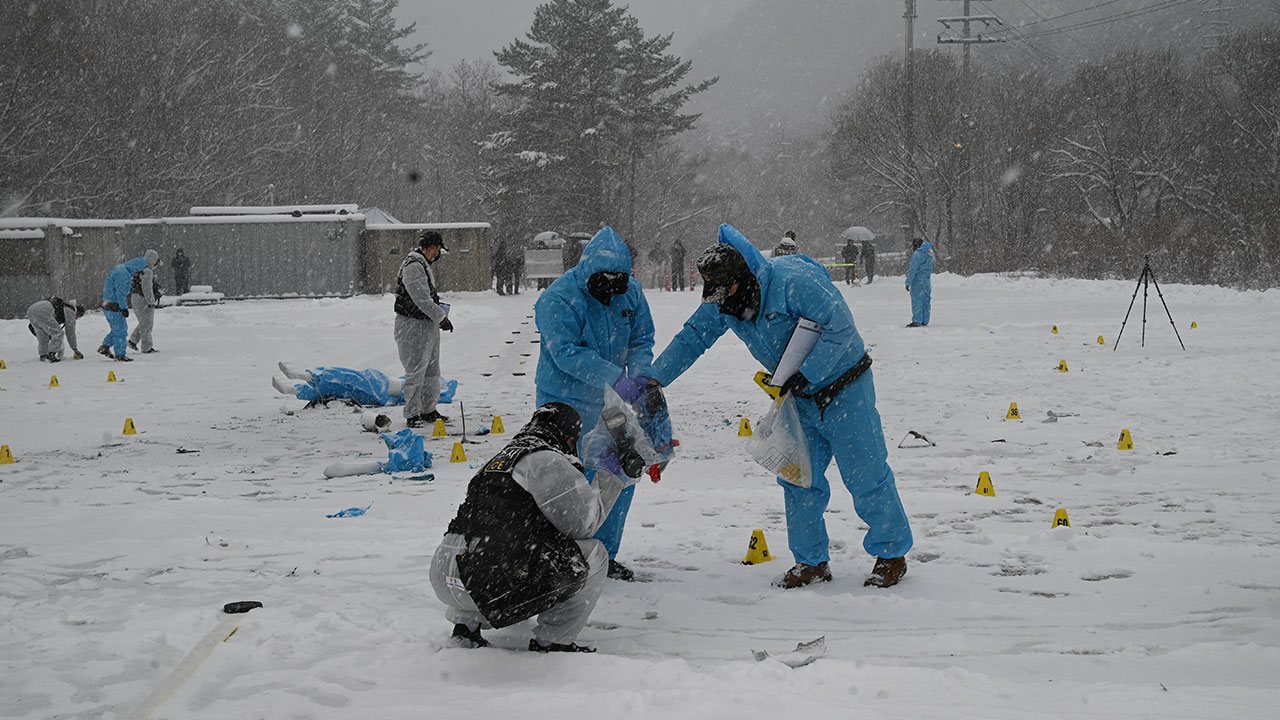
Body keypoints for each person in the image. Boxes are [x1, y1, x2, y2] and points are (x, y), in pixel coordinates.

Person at [646, 223, 913, 589]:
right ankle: (811, 561)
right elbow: (693, 337)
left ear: (742, 279)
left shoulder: (793, 283)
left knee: (865, 473)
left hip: (846, 388)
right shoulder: (725, 303)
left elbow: (841, 329)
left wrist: (808, 372)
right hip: (798, 401)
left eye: (725, 293)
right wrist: (656, 377)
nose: (721, 303)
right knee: (797, 479)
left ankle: (891, 553)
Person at [428, 402, 625, 652]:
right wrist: (610, 475)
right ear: (569, 439)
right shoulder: (545, 460)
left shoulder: (502, 459)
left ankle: (466, 628)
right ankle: (553, 640)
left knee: (484, 546)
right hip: (483, 582)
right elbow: (583, 525)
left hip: (446, 574)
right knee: (593, 554)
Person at [534, 226, 655, 581]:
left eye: (618, 287)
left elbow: (642, 339)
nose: (610, 295)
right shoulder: (559, 298)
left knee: (617, 471)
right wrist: (614, 377)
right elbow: (565, 352)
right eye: (603, 287)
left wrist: (640, 378)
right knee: (565, 479)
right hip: (563, 400)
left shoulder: (631, 293)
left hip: (610, 402)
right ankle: (564, 554)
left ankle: (602, 554)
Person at [394, 231, 452, 428]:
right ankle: (412, 414)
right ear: (433, 247)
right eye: (438, 250)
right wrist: (441, 317)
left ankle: (428, 409)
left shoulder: (422, 264)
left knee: (431, 370)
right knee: (416, 371)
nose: (438, 255)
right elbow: (421, 299)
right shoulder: (413, 265)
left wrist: (437, 318)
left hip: (426, 325)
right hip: (412, 326)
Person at [271, 362, 458, 408]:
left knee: (344, 378)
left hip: (380, 387)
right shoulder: (433, 387)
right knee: (339, 389)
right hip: (380, 388)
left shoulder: (435, 389)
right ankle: (293, 388)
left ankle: (303, 376)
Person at [98, 250, 156, 362]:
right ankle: (120, 354)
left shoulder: (122, 269)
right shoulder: (123, 274)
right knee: (121, 330)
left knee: (117, 329)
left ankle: (105, 346)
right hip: (114, 305)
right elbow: (120, 293)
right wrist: (124, 308)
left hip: (108, 303)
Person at [26, 297, 85, 362]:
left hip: (31, 310)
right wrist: (75, 349)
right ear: (78, 312)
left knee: (43, 336)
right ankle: (51, 354)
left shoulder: (64, 306)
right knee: (58, 333)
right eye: (78, 316)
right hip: (43, 310)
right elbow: (70, 332)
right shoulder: (71, 311)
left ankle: (43, 355)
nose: (76, 318)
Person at [127, 254, 162, 354]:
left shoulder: (139, 269)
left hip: (135, 297)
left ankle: (133, 341)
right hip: (142, 299)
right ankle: (146, 347)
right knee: (147, 323)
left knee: (143, 322)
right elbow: (147, 288)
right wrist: (151, 301)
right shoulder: (147, 271)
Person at [906, 238, 934, 327]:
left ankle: (917, 320)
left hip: (918, 281)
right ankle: (925, 320)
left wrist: (908, 282)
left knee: (917, 300)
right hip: (927, 281)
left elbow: (913, 270)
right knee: (926, 301)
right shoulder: (929, 255)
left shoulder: (917, 255)